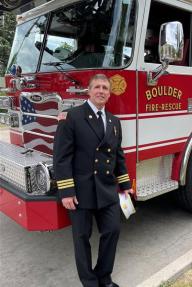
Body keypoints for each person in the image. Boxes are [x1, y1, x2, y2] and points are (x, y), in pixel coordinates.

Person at [53, 74, 133, 287]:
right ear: (88, 91)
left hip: (106, 189)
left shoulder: (114, 122)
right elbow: (61, 157)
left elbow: (118, 155)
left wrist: (125, 186)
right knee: (81, 238)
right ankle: (89, 282)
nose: (101, 91)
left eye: (105, 88)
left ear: (109, 92)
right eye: (97, 87)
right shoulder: (71, 117)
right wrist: (66, 191)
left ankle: (104, 278)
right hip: (80, 191)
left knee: (112, 231)